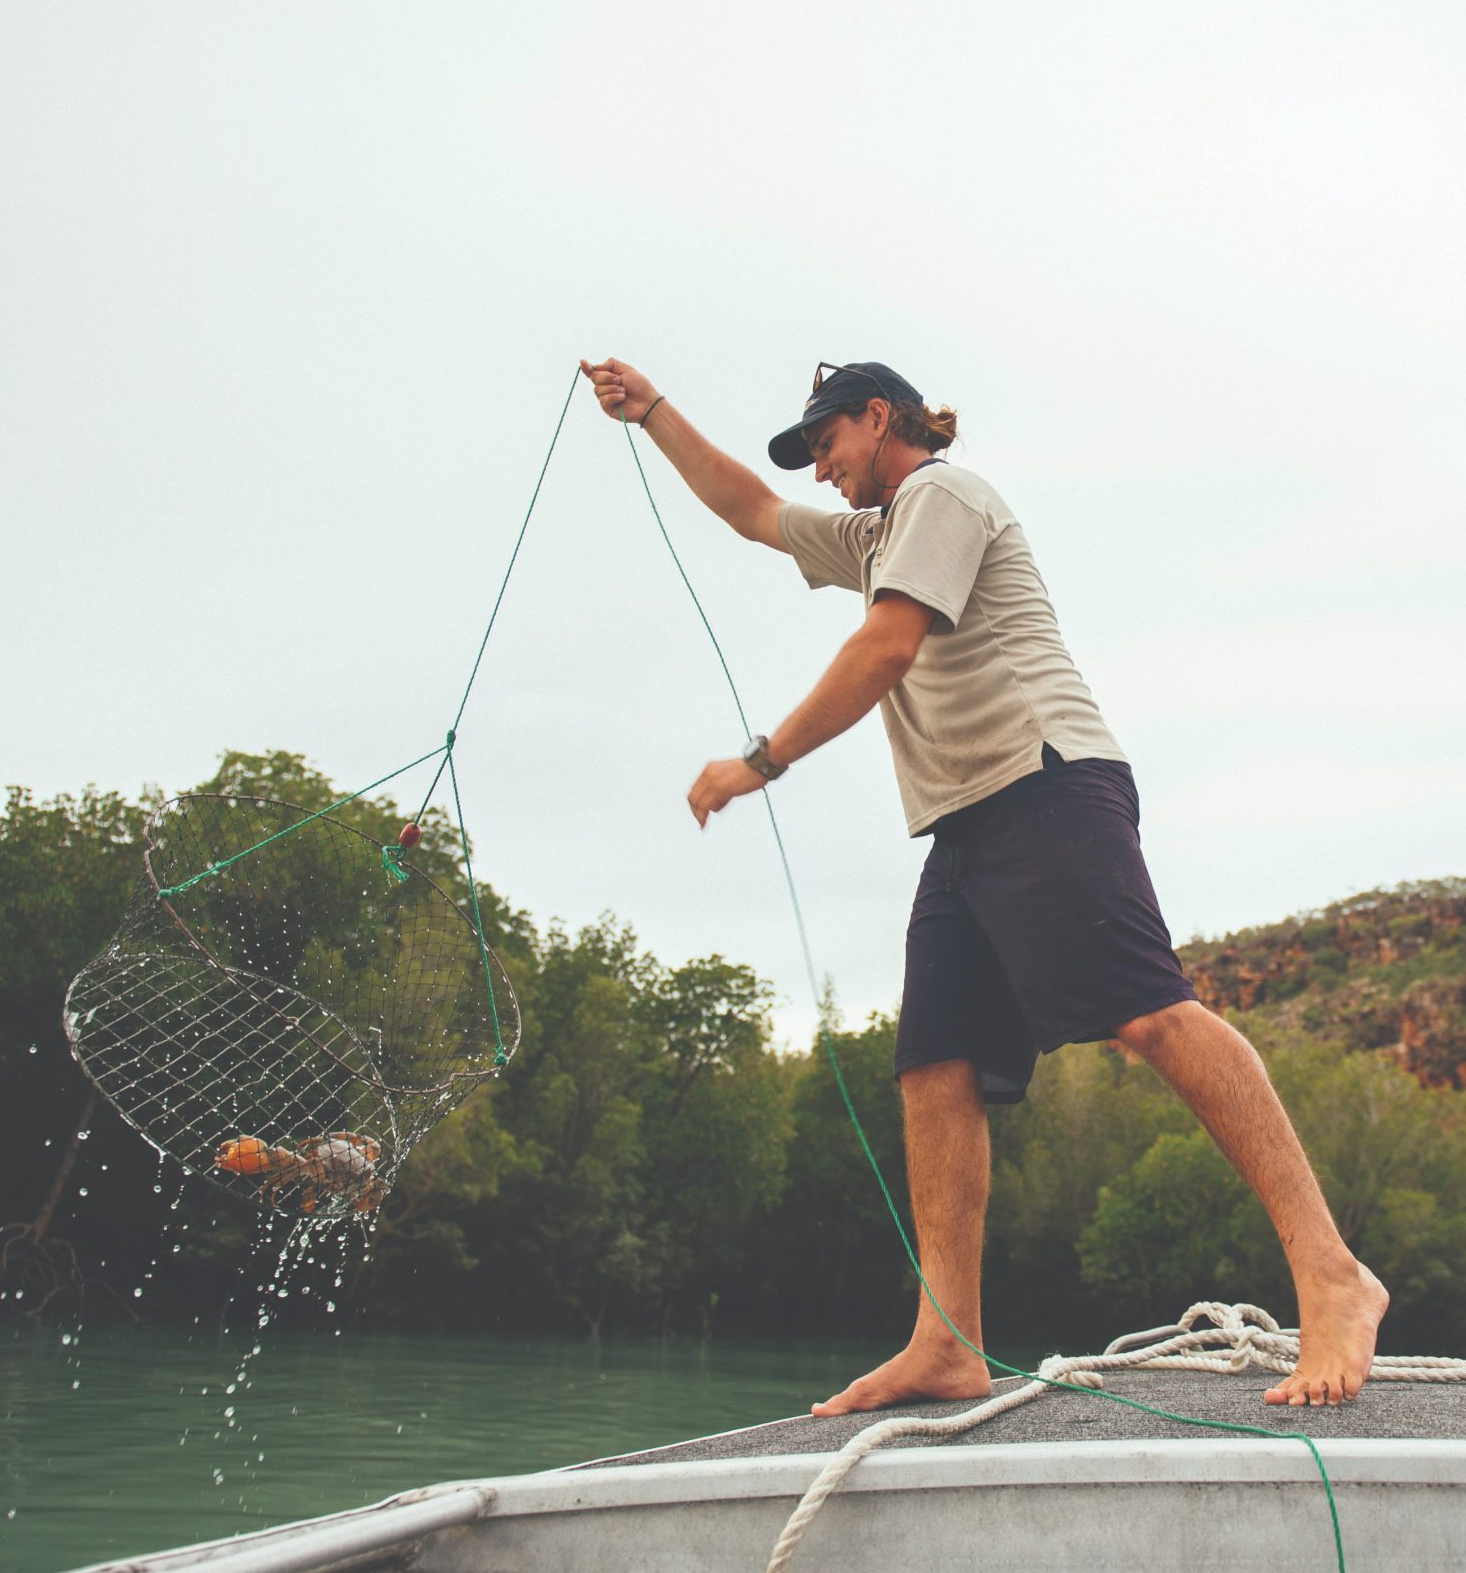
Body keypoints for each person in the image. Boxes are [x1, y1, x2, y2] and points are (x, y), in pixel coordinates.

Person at [581, 356, 1389, 1412]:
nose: (818, 469)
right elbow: (752, 509)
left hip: (1046, 783)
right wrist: (651, 414)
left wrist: (759, 763)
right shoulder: (874, 534)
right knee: (935, 1069)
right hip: (965, 826)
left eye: (825, 443)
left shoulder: (941, 495)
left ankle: (1332, 1274)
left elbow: (886, 646)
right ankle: (947, 1341)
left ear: (878, 421)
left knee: (1151, 1017)